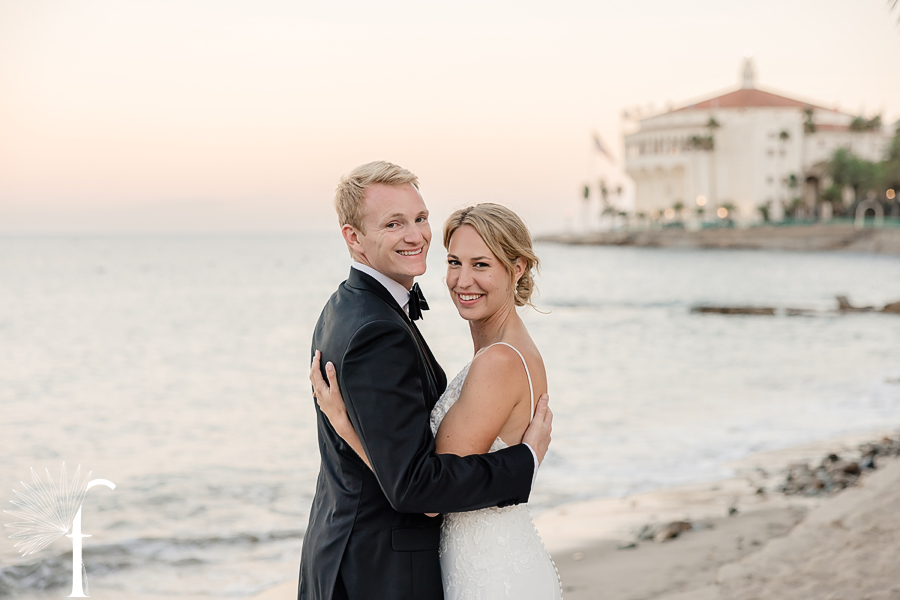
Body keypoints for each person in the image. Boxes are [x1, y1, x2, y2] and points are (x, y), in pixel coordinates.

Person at [298, 162, 553, 600]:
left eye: (419, 218)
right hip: (379, 569)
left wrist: (346, 429)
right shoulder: (377, 324)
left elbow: (421, 490)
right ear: (353, 237)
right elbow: (418, 484)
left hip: (469, 569)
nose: (461, 279)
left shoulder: (346, 306)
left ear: (517, 269)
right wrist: (523, 462)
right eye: (455, 262)